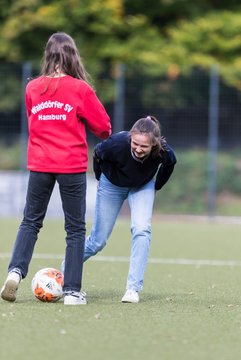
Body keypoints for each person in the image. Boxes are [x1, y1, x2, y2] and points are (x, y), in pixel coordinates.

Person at [0, 32, 111, 305]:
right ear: (73, 55)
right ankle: (72, 292)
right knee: (74, 229)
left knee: (30, 221)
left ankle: (15, 272)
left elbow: (33, 120)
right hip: (71, 165)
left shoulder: (32, 88)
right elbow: (105, 128)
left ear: (47, 55)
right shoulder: (80, 89)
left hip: (39, 163)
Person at [62, 115, 176, 303]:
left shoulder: (164, 152)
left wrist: (156, 186)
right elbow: (97, 154)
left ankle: (133, 289)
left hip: (142, 186)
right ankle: (66, 269)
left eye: (144, 146)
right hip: (111, 185)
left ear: (154, 145)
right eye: (135, 144)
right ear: (130, 138)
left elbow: (170, 164)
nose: (138, 149)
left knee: (142, 229)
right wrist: (100, 178)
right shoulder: (115, 143)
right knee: (97, 241)